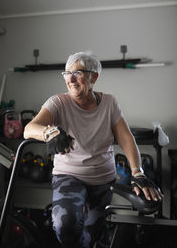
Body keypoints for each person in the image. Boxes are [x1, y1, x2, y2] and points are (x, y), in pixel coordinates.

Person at [24, 51, 163, 248]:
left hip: (103, 178)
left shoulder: (109, 103)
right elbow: (29, 129)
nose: (71, 79)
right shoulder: (58, 102)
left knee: (92, 237)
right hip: (68, 175)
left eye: (78, 73)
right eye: (66, 73)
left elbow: (125, 137)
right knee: (65, 226)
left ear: (94, 77)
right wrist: (49, 132)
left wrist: (137, 172)